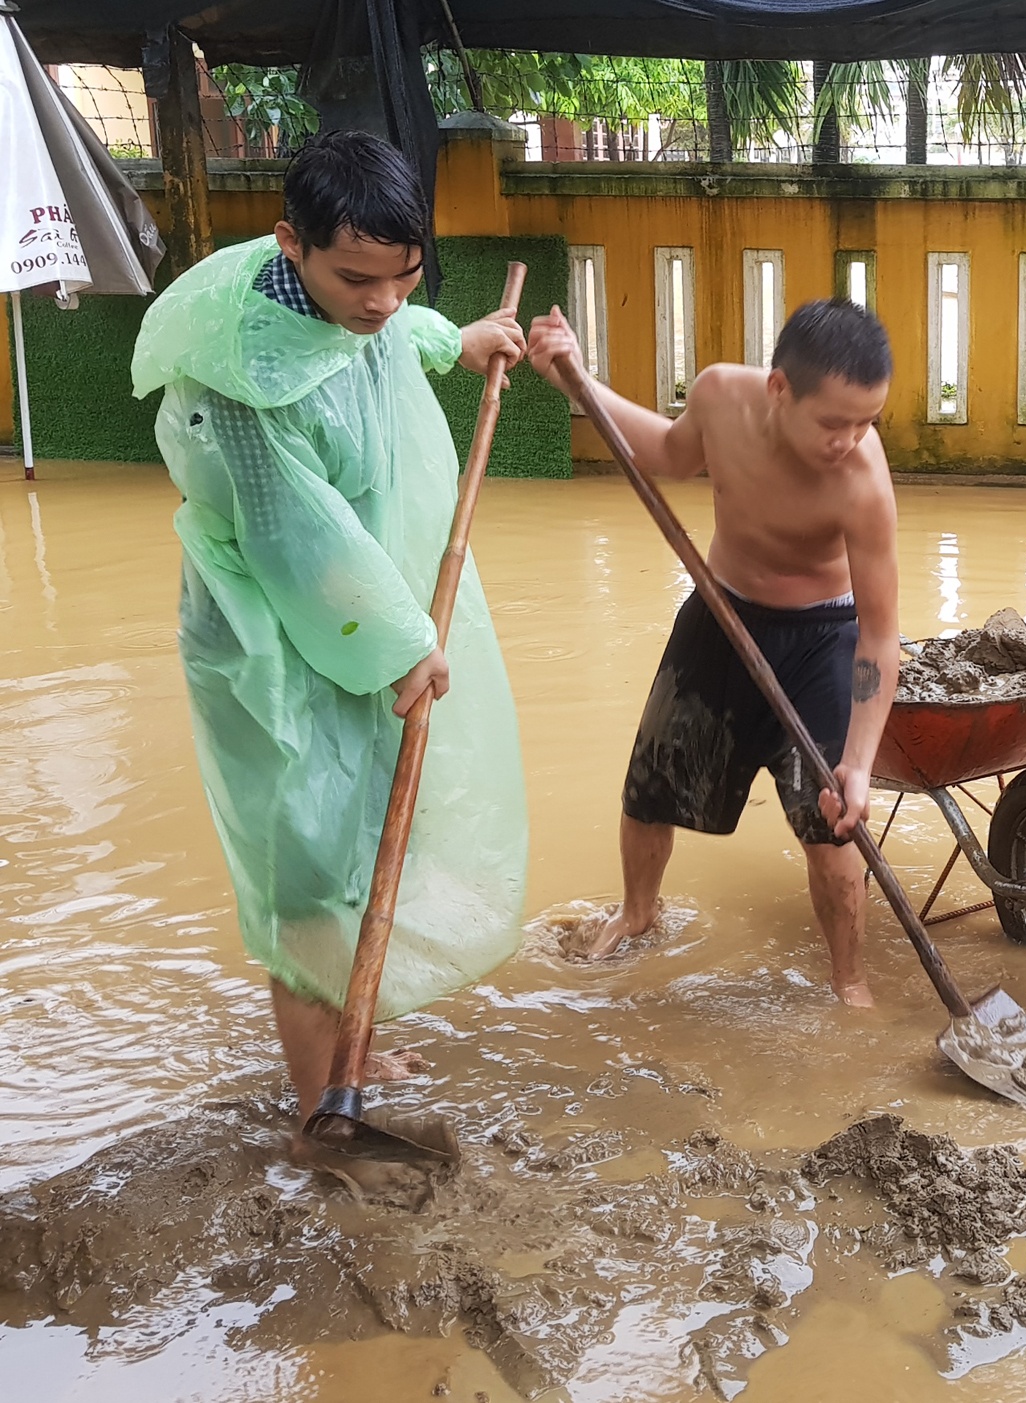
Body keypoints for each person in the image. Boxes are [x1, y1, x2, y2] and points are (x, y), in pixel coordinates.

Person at [130, 131, 531, 1130]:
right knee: (310, 866)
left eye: (405, 275)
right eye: (359, 278)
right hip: (274, 636)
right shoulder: (243, 375)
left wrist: (456, 339)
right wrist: (404, 644)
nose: (383, 300)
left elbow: (384, 342)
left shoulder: (360, 306)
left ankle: (353, 1045)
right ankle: (321, 1109)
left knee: (363, 829)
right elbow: (297, 542)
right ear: (291, 243)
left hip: (357, 617)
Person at [525, 298, 900, 1005]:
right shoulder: (721, 396)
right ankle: (638, 912)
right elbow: (669, 454)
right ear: (780, 388)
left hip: (821, 638)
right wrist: (577, 378)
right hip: (721, 616)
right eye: (834, 422)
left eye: (867, 422)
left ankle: (849, 980)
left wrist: (858, 762)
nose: (850, 440)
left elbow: (880, 635)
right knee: (649, 790)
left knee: (832, 828)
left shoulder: (862, 484)